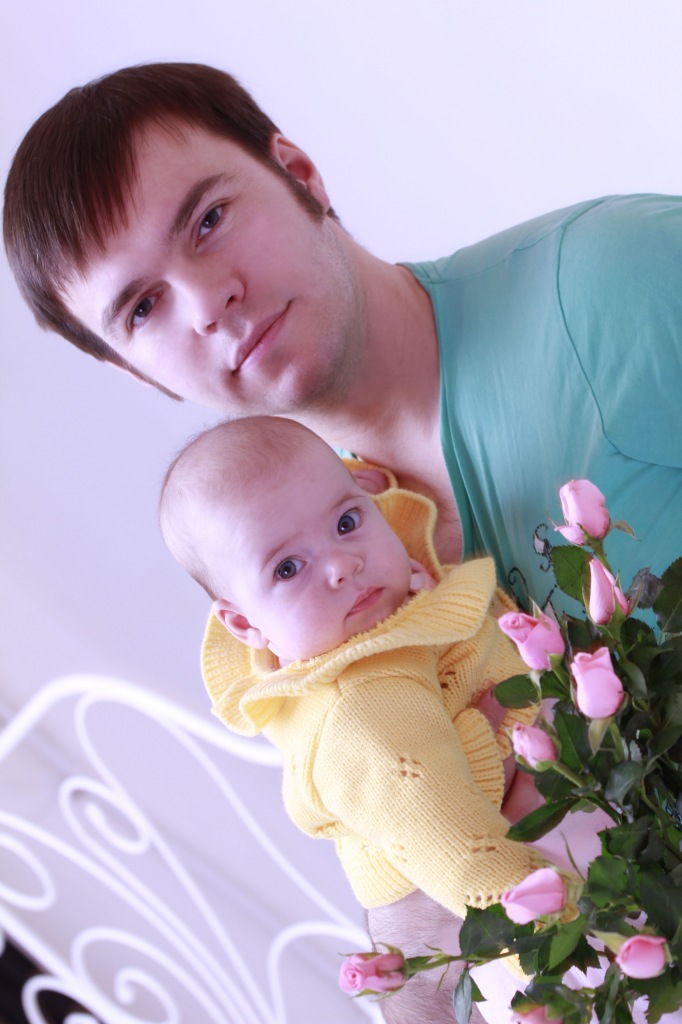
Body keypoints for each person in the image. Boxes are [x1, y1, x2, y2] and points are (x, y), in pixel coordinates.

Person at [4, 61, 682, 1020]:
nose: (207, 301)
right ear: (136, 373)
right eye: (143, 308)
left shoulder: (618, 286)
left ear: (300, 173)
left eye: (208, 219)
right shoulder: (309, 610)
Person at [159, 413, 543, 929]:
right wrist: (568, 936)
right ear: (245, 623)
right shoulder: (359, 708)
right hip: (514, 880)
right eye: (288, 568)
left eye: (345, 523)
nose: (342, 564)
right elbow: (464, 862)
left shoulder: (385, 605)